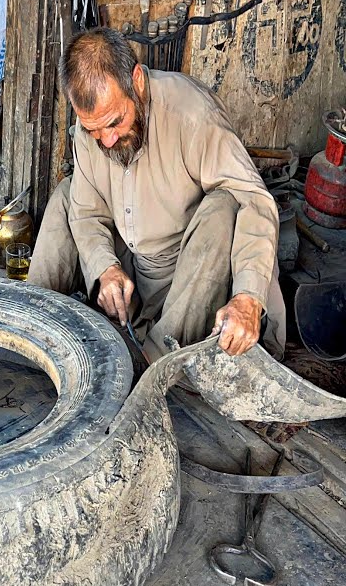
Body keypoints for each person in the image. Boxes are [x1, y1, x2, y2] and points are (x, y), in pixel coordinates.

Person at [27, 27, 285, 360]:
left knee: (225, 207)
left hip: (193, 285)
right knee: (67, 194)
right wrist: (104, 268)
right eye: (94, 130)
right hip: (132, 280)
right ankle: (30, 326)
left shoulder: (191, 114)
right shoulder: (94, 129)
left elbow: (254, 200)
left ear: (136, 80)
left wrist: (248, 297)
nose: (106, 140)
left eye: (115, 122)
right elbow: (87, 212)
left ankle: (158, 361)